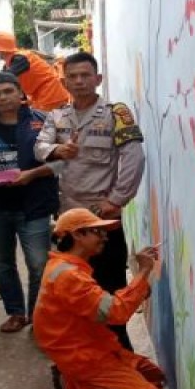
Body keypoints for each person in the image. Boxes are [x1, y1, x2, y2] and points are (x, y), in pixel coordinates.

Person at [34, 51, 145, 350]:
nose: (80, 81)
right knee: (71, 292)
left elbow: (134, 157)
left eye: (86, 75)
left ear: (98, 79)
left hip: (101, 219)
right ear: (64, 80)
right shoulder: (57, 115)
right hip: (69, 221)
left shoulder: (115, 114)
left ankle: (119, 355)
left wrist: (118, 200)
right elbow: (39, 146)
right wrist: (57, 151)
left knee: (109, 290)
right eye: (73, 76)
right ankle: (79, 356)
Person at [34, 208, 178, 389]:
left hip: (93, 348)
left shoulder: (66, 266)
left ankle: (75, 381)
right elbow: (116, 314)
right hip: (84, 357)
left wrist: (137, 286)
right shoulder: (70, 276)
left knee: (153, 375)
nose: (105, 237)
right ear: (78, 235)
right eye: (97, 232)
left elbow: (101, 305)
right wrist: (143, 272)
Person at [0, 72, 59, 332]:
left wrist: (32, 174)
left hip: (34, 205)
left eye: (8, 91)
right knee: (1, 263)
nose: (3, 97)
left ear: (20, 93)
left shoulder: (43, 122)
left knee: (38, 263)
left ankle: (39, 317)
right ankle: (16, 313)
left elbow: (60, 163)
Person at [0, 30, 71, 112]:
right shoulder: (12, 62)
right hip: (45, 96)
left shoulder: (21, 59)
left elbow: (3, 77)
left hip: (51, 95)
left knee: (46, 132)